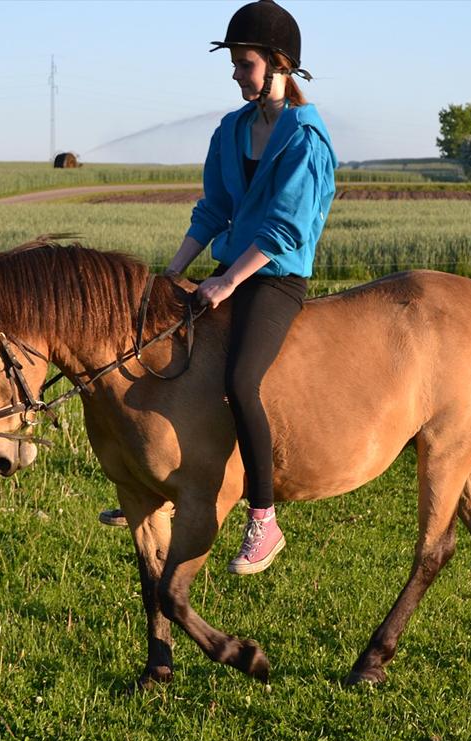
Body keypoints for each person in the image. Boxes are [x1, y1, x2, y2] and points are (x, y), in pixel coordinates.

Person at [100, 0, 337, 576]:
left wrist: (227, 281)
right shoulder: (230, 130)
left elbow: (286, 229)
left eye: (245, 62)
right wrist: (173, 272)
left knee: (238, 380)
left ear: (279, 65)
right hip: (225, 276)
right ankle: (156, 481)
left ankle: (264, 518)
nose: (235, 72)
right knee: (163, 359)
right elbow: (212, 211)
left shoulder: (307, 139)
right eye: (234, 62)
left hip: (274, 280)